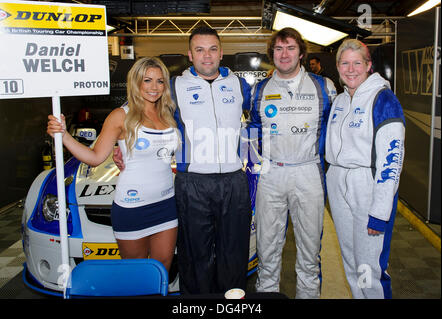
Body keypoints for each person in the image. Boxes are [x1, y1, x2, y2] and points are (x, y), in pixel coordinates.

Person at [113, 26, 253, 294]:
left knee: (233, 255)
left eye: (213, 49)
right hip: (193, 183)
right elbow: (141, 115)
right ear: (190, 54)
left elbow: (259, 120)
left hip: (234, 181)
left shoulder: (238, 84)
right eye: (200, 50)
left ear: (221, 52)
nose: (207, 56)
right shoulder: (175, 87)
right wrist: (118, 147)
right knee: (195, 256)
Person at [47, 57, 179, 272]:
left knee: (161, 269)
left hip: (166, 204)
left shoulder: (168, 114)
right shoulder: (121, 116)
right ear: (136, 83)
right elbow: (95, 157)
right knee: (136, 273)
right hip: (132, 206)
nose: (154, 87)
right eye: (147, 80)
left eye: (160, 81)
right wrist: (63, 136)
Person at [247, 27, 337, 298]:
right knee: (267, 247)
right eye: (278, 49)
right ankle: (266, 296)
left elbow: (337, 131)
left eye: (290, 48)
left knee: (310, 250)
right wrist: (253, 173)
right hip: (271, 172)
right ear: (271, 54)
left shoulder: (324, 87)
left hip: (308, 171)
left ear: (301, 54)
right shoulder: (259, 90)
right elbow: (252, 131)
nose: (284, 54)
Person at [325, 39, 405, 299]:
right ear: (337, 67)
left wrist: (380, 212)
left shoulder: (384, 99)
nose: (350, 69)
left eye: (357, 63)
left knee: (370, 266)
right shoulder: (339, 101)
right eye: (345, 63)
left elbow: (391, 161)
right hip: (339, 183)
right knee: (351, 261)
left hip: (367, 186)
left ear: (369, 65)